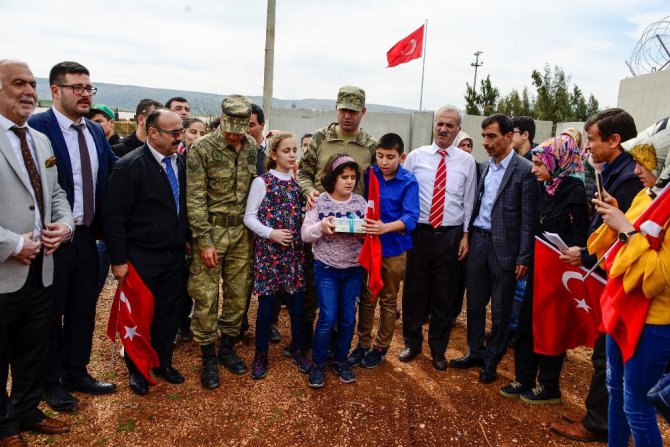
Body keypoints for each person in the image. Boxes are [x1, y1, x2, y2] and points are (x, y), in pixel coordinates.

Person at [28, 61, 117, 412]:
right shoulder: (37, 128)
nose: (84, 94)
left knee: (83, 308)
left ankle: (76, 372)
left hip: (88, 237)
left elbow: (111, 171)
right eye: (76, 87)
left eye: (88, 88)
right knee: (50, 313)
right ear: (55, 91)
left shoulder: (94, 132)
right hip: (51, 238)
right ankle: (50, 382)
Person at [552, 108, 642, 442]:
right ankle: (602, 417)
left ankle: (599, 423)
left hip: (618, 280)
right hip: (608, 274)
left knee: (608, 355)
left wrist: (588, 255)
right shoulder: (611, 171)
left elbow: (625, 235)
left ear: (614, 140)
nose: (587, 147)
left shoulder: (630, 178)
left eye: (592, 139)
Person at [0, 59, 74, 447]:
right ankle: (4, 426)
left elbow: (56, 193)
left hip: (42, 267)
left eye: (31, 84)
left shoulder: (38, 140)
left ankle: (27, 409)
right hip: (4, 269)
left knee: (34, 346)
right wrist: (12, 244)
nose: (29, 91)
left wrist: (64, 225)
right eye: (18, 84)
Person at [588, 122, 670, 447]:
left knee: (637, 406)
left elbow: (659, 276)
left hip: (653, 319)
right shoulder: (648, 195)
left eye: (645, 163)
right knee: (615, 392)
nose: (636, 169)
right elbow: (616, 253)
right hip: (622, 306)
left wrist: (627, 230)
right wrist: (617, 216)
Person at [499, 129, 589, 404]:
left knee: (551, 326)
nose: (534, 169)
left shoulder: (574, 192)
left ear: (557, 162)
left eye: (540, 164)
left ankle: (549, 386)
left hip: (560, 274)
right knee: (526, 323)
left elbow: (580, 237)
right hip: (539, 270)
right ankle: (524, 377)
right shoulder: (542, 187)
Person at [105, 108, 190, 395]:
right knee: (140, 316)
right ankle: (138, 369)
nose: (180, 137)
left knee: (169, 311)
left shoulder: (181, 163)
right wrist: (118, 260)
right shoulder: (129, 166)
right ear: (153, 132)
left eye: (181, 131)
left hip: (175, 254)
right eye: (174, 132)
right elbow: (114, 216)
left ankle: (163, 362)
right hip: (141, 257)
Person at [451, 113, 537, 384]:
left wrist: (524, 256)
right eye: (484, 136)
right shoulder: (484, 168)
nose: (485, 142)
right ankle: (475, 352)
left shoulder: (525, 171)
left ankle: (491, 361)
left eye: (492, 136)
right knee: (474, 304)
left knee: (500, 311)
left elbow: (528, 219)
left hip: (506, 251)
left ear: (509, 136)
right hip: (478, 243)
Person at [296, 85, 377, 358]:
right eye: (343, 109)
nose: (347, 115)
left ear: (363, 112)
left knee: (349, 298)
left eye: (353, 111)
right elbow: (303, 173)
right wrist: (310, 193)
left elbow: (376, 185)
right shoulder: (320, 137)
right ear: (336, 108)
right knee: (312, 283)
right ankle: (305, 341)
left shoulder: (371, 146)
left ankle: (338, 347)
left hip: (353, 229)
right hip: (320, 220)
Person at [187, 95, 256, 389]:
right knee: (205, 297)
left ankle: (227, 348)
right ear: (222, 119)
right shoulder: (201, 149)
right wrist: (203, 241)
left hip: (242, 233)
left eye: (239, 129)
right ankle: (207, 358)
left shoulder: (251, 147)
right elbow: (195, 200)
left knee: (239, 294)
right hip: (212, 232)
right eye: (229, 127)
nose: (233, 134)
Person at [399, 106, 476, 371]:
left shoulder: (467, 162)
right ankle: (412, 341)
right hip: (419, 233)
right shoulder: (416, 157)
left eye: (450, 125)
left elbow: (468, 201)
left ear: (458, 129)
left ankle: (438, 348)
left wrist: (466, 235)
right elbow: (404, 193)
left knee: (445, 293)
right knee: (414, 290)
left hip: (451, 235)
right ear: (434, 125)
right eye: (440, 124)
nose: (444, 129)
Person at [346, 133, 419, 369]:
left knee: (388, 300)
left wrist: (384, 228)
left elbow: (411, 217)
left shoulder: (409, 181)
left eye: (390, 157)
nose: (384, 162)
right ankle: (362, 344)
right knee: (367, 299)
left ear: (402, 157)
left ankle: (380, 347)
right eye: (380, 156)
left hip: (394, 250)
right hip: (368, 248)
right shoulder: (370, 174)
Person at [243, 132, 311, 379]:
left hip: (293, 255)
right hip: (269, 253)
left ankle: (299, 349)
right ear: (273, 155)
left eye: (294, 150)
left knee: (296, 305)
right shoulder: (262, 182)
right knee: (267, 307)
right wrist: (271, 233)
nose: (292, 154)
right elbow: (249, 217)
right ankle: (261, 354)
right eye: (286, 151)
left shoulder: (297, 183)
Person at [301, 154, 367, 388]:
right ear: (332, 177)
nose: (349, 181)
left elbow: (368, 234)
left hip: (353, 269)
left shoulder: (360, 203)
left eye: (352, 177)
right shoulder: (320, 202)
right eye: (343, 177)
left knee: (348, 318)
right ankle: (318, 363)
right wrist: (322, 226)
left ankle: (340, 360)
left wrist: (363, 234)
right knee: (328, 317)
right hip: (326, 269)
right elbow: (305, 234)